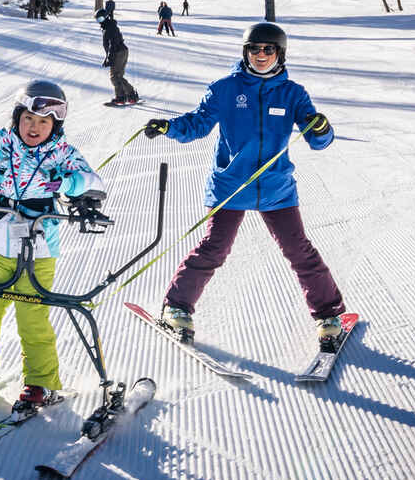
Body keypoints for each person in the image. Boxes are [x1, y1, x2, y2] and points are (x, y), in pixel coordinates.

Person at [142, 21, 347, 350]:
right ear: (245, 51)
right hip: (231, 186)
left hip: (276, 188)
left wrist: (321, 129)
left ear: (280, 53)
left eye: (268, 49)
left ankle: (328, 315)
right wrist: (169, 127)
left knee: (298, 250)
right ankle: (176, 307)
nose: (260, 55)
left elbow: (317, 139)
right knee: (215, 248)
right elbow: (198, 124)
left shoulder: (293, 93)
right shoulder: (225, 89)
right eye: (254, 48)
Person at [0, 80, 106, 408]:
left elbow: (92, 181)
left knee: (32, 313)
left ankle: (41, 382)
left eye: (43, 122)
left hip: (39, 244)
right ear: (17, 117)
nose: (34, 127)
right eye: (28, 119)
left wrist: (70, 183)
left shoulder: (62, 152)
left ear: (55, 125)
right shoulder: (1, 142)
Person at [98, 11, 139, 105]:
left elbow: (113, 43)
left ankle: (122, 97)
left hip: (119, 52)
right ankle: (129, 95)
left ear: (106, 17)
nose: (100, 21)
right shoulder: (108, 26)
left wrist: (109, 57)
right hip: (120, 51)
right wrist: (108, 57)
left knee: (115, 76)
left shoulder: (110, 27)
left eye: (101, 18)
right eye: (98, 19)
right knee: (117, 76)